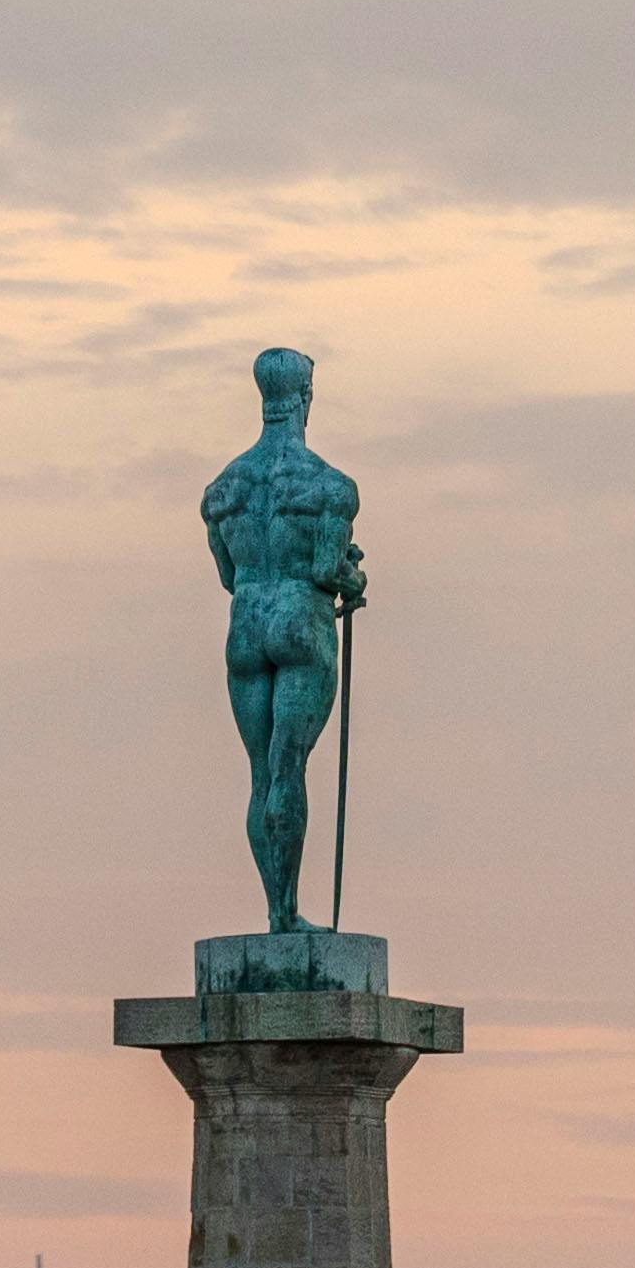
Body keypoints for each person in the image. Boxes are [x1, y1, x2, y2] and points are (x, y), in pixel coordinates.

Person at [201, 348, 367, 929]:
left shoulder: (223, 491)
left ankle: (278, 910)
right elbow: (327, 572)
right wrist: (354, 575)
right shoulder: (328, 486)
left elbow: (228, 576)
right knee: (288, 765)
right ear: (306, 397)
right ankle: (288, 917)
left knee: (261, 772)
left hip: (247, 625)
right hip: (299, 622)